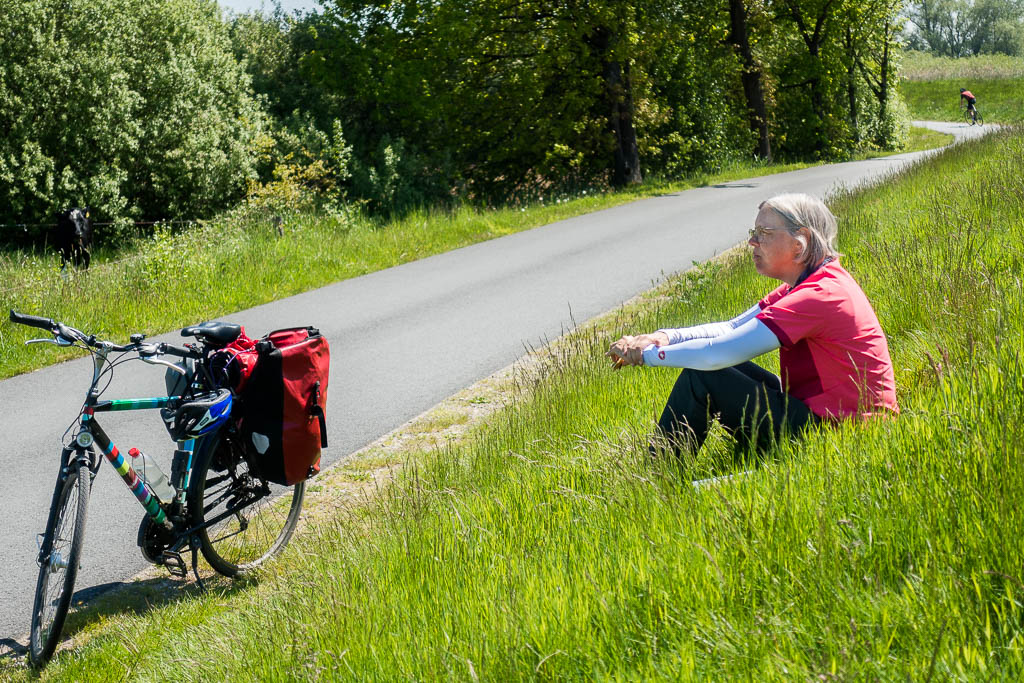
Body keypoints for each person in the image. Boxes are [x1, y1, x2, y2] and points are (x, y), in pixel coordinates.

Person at [607, 193, 899, 459]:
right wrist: (661, 337)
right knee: (737, 377)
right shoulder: (807, 285)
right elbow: (730, 328)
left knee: (706, 374)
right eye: (754, 233)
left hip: (845, 438)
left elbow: (716, 354)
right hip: (831, 424)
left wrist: (645, 356)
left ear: (801, 242)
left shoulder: (819, 295)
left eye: (765, 234)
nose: (752, 242)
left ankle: (660, 477)